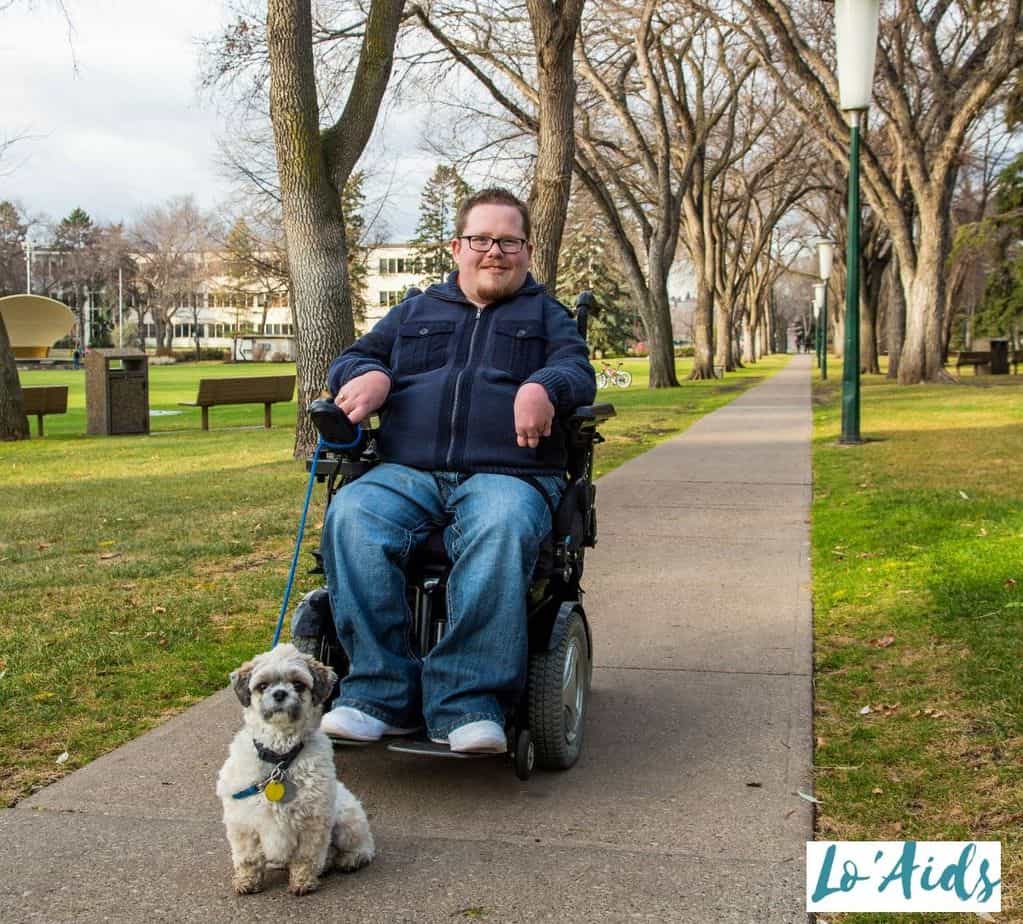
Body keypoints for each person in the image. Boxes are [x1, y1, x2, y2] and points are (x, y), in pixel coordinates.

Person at [319, 188, 596, 754]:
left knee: (500, 525)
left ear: (525, 249)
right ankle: (378, 694)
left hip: (510, 473)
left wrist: (545, 385)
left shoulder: (547, 315)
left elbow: (578, 372)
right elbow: (352, 357)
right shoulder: (415, 312)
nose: (494, 251)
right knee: (352, 514)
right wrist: (369, 375)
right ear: (457, 247)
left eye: (508, 241)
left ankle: (467, 702)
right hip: (407, 472)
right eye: (481, 239)